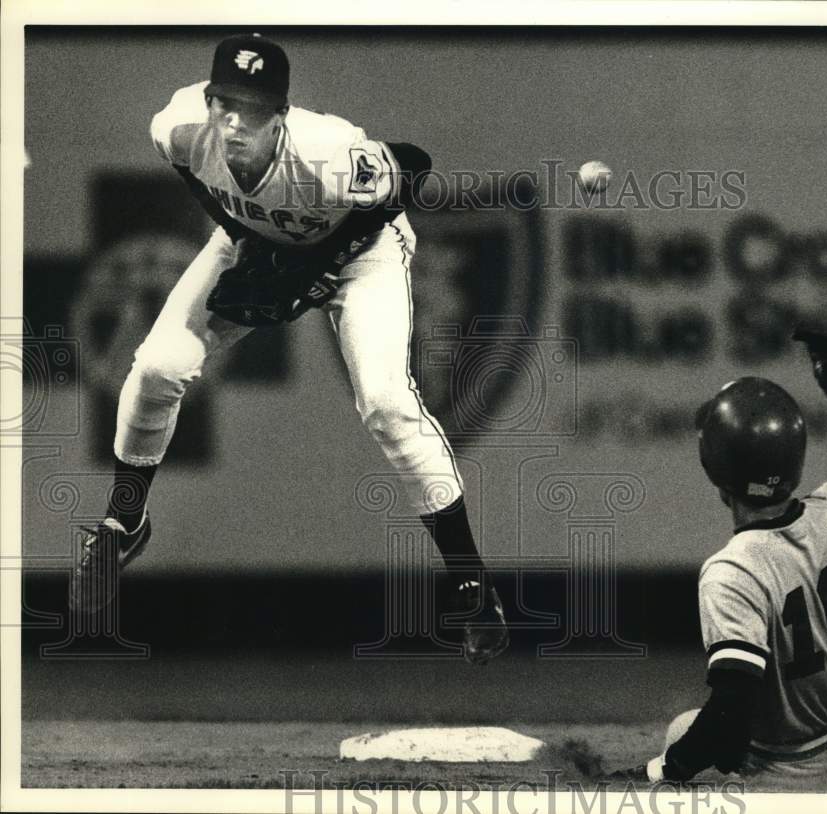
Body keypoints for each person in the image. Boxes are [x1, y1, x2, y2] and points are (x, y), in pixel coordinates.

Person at [70, 32, 509, 666]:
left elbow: (415, 165)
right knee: (159, 366)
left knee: (387, 405)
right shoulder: (180, 127)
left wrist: (308, 268)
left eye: (251, 110)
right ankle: (124, 521)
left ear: (280, 115)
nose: (232, 122)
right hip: (258, 242)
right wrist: (249, 241)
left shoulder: (328, 154)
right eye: (224, 104)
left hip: (363, 255)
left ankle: (472, 585)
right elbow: (200, 181)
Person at [614, 328, 827, 789]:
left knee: (682, 731)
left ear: (717, 475)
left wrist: (658, 770)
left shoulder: (733, 570)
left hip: (799, 774)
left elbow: (728, 720)